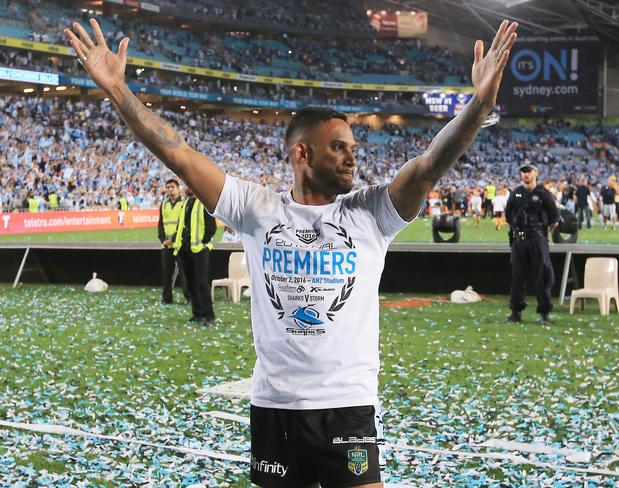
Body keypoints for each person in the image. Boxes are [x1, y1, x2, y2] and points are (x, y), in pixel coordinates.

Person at [65, 17, 518, 487]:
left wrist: (479, 105)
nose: (351, 157)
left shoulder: (370, 213)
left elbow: (428, 166)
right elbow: (178, 153)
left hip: (347, 406)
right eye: (338, 147)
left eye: (353, 147)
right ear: (302, 155)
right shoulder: (258, 209)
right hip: (275, 406)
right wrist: (118, 90)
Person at [505, 164, 559, 324]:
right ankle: (516, 312)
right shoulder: (516, 194)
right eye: (523, 172)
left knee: (542, 276)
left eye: (529, 171)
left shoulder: (544, 194)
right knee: (517, 276)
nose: (526, 174)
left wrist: (540, 232)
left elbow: (554, 219)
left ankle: (544, 313)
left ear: (536, 173)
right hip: (520, 240)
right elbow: (509, 216)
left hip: (537, 239)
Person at [173, 186, 216, 324]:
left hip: (199, 249)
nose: (188, 188)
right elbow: (182, 224)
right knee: (191, 283)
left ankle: (209, 315)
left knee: (202, 283)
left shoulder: (203, 203)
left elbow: (211, 227)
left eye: (191, 185)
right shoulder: (185, 203)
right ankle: (197, 313)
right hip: (185, 249)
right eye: (187, 185)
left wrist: (204, 242)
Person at [158, 178, 190, 304]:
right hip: (166, 245)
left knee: (184, 273)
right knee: (167, 274)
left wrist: (175, 239)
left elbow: (185, 224)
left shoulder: (184, 203)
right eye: (168, 187)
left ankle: (188, 297)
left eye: (172, 187)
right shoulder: (164, 204)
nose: (170, 189)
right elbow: (161, 223)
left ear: (178, 188)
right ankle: (167, 298)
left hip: (180, 244)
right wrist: (163, 239)